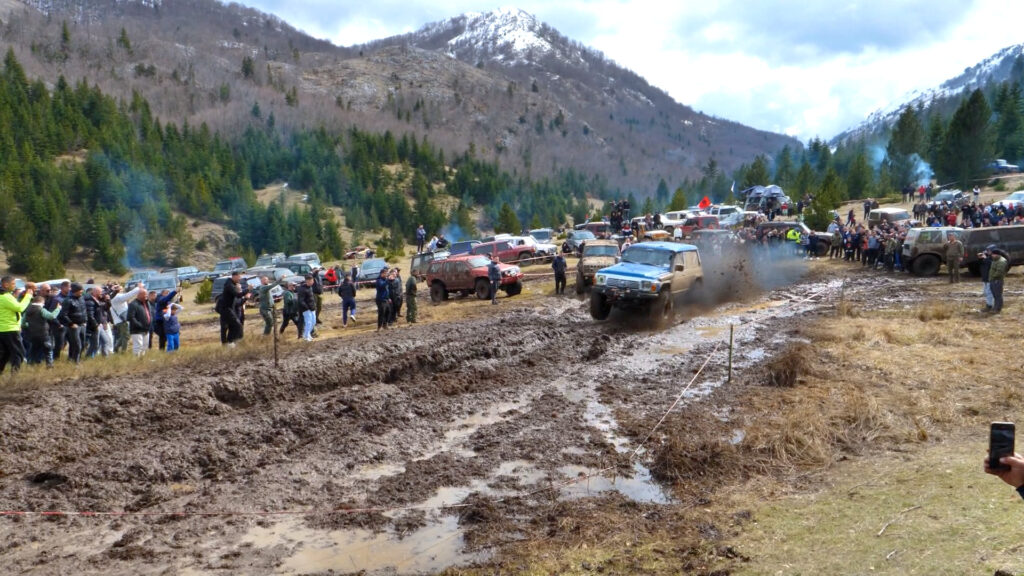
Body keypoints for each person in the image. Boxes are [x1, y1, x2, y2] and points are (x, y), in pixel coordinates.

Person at [0, 276, 33, 374]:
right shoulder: (5, 296)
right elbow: (20, 308)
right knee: (19, 353)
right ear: (6, 284)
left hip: (3, 329)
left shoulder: (5, 295)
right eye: (13, 284)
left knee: (5, 353)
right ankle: (15, 376)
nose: (15, 286)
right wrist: (28, 296)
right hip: (9, 329)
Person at [22, 293, 59, 367]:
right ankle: (49, 365)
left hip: (32, 334)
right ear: (41, 302)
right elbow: (51, 316)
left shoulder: (27, 310)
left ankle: (30, 365)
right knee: (48, 349)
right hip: (43, 333)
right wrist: (58, 309)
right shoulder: (41, 309)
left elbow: (23, 323)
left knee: (33, 350)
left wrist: (30, 325)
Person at [57, 283, 88, 363]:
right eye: (80, 291)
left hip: (82, 325)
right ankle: (75, 362)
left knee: (83, 344)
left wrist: (85, 321)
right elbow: (63, 315)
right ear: (75, 291)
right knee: (77, 345)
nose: (82, 292)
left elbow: (84, 311)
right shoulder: (68, 300)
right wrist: (71, 324)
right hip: (73, 326)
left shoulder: (82, 298)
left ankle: (75, 359)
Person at [216, 271, 244, 346]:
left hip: (229, 311)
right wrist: (248, 290)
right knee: (227, 327)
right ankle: (228, 343)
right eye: (239, 277)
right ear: (234, 276)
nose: (239, 279)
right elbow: (238, 297)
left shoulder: (231, 285)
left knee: (233, 326)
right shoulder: (229, 286)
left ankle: (229, 342)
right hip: (226, 310)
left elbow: (238, 300)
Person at [126, 288, 151, 357]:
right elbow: (130, 317)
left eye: (146, 295)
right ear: (139, 295)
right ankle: (136, 360)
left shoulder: (146, 303)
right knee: (138, 346)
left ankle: (142, 361)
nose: (146, 296)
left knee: (145, 346)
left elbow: (148, 314)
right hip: (137, 330)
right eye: (145, 295)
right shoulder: (133, 304)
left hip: (146, 329)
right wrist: (139, 325)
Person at [297, 274, 317, 342]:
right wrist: (307, 307)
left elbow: (311, 298)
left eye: (312, 280)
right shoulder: (302, 289)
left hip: (312, 308)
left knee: (313, 322)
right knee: (308, 322)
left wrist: (314, 305)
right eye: (311, 281)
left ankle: (308, 334)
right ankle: (306, 336)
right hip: (306, 309)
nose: (312, 282)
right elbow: (301, 300)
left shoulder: (310, 287)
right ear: (307, 281)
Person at [988, 247, 1008, 314]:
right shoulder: (995, 260)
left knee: (997, 295)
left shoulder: (1001, 261)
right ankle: (997, 307)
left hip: (997, 280)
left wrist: (993, 277)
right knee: (995, 295)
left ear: (997, 254)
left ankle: (997, 309)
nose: (992, 255)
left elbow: (999, 272)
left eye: (993, 254)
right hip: (993, 280)